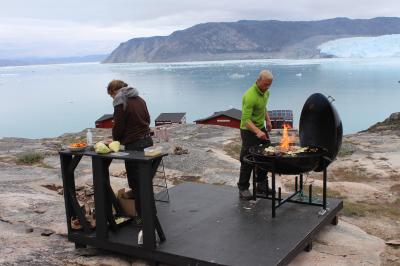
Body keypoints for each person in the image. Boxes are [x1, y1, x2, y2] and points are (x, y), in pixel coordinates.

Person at [107, 79, 153, 219]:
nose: (112, 98)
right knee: (145, 178)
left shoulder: (121, 101)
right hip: (145, 140)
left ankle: (142, 216)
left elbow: (119, 125)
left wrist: (114, 141)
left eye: (111, 95)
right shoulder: (139, 98)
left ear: (115, 91)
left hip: (133, 144)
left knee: (135, 181)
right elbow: (148, 119)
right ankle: (150, 211)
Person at [238, 70, 273, 200]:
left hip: (260, 127)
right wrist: (258, 132)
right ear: (258, 81)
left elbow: (263, 107)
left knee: (267, 154)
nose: (267, 87)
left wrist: (268, 120)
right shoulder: (250, 96)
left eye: (269, 84)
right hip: (248, 131)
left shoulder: (266, 93)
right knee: (247, 159)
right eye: (265, 84)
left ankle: (261, 185)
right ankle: (243, 188)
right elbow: (246, 120)